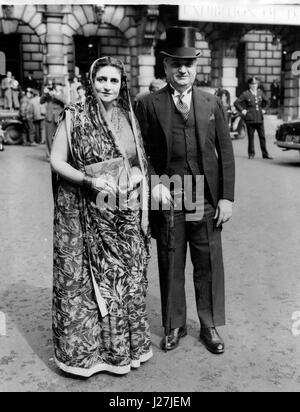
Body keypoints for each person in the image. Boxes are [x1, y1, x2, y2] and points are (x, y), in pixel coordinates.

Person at [50, 56, 152, 377]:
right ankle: (93, 356)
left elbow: (138, 162)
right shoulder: (75, 116)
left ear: (122, 85)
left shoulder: (127, 118)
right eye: (101, 79)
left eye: (114, 81)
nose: (107, 86)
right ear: (91, 82)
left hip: (123, 214)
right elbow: (57, 161)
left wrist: (135, 176)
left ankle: (125, 349)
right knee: (88, 283)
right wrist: (89, 180)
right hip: (87, 210)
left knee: (128, 279)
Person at [135, 27, 235, 355]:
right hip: (171, 194)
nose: (183, 69)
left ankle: (209, 325)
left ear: (196, 67)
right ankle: (173, 324)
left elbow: (226, 152)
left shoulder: (212, 103)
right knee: (171, 261)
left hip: (205, 197)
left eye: (189, 63)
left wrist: (226, 197)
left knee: (207, 262)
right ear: (165, 66)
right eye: (176, 63)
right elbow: (140, 153)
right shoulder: (148, 104)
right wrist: (155, 184)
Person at [234, 76, 273, 160]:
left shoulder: (260, 93)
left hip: (259, 118)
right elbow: (236, 103)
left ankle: (265, 154)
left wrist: (264, 110)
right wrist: (243, 110)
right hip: (250, 118)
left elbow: (268, 102)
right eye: (252, 84)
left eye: (256, 84)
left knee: (262, 136)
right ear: (249, 85)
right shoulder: (246, 94)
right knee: (251, 137)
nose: (254, 85)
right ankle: (251, 153)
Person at [41, 82, 66, 160]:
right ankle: (49, 156)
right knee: (48, 138)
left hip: (58, 118)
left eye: (59, 86)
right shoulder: (49, 94)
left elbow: (65, 101)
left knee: (58, 138)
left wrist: (54, 95)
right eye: (57, 86)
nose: (58, 87)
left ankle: (58, 156)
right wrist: (45, 94)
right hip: (49, 118)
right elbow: (41, 101)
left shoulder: (62, 94)